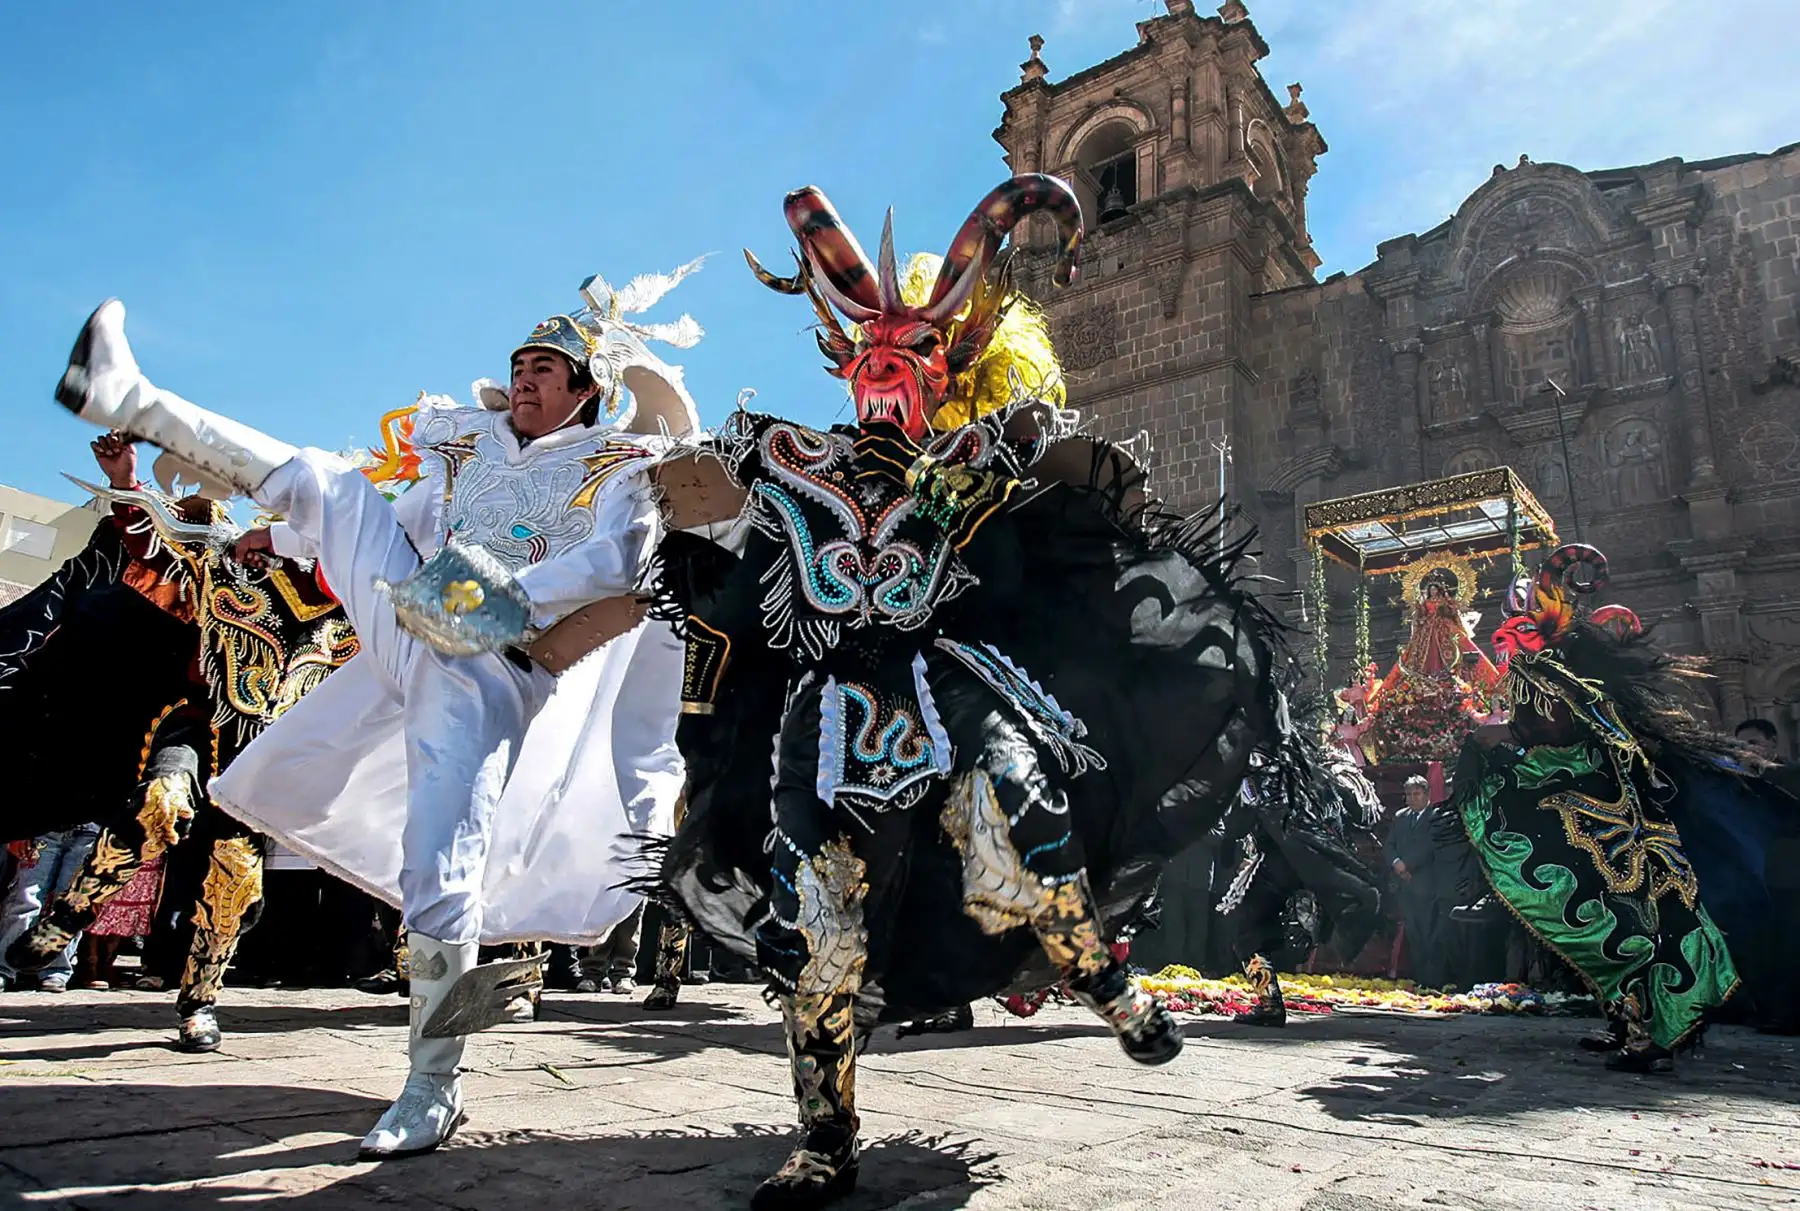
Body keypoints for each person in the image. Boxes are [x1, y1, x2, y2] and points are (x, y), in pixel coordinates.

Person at [645, 175, 1295, 1210]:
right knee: (821, 922)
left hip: (949, 688)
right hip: (825, 715)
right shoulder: (786, 454)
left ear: (948, 368)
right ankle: (824, 1140)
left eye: (910, 360)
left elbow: (1078, 483)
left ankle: (1102, 975)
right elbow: (687, 502)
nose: (885, 378)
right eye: (867, 359)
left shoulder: (979, 456)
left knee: (1022, 826)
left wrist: (1064, 479)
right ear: (844, 365)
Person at [52, 265, 695, 1159]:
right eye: (519, 362)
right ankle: (132, 395)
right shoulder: (464, 444)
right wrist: (275, 532)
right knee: (330, 481)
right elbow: (384, 513)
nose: (525, 376)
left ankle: (433, 1085)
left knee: (442, 862)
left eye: (546, 368)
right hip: (421, 620)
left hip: (498, 665)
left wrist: (492, 598)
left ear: (586, 391)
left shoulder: (618, 466)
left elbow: (618, 566)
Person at [1451, 544, 1790, 1073]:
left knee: (1639, 927)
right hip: (1583, 822)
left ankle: (1657, 1032)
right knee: (1609, 931)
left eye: (1514, 634)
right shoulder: (1537, 681)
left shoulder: (1558, 683)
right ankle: (1628, 1020)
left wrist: (1505, 739)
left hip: (1613, 827)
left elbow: (1583, 743)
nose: (1504, 643)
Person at [1385, 775, 1449, 988]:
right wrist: (1397, 863)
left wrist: (1408, 865)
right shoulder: (1400, 817)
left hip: (1427, 883)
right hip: (1405, 886)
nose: (1412, 798)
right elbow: (1390, 844)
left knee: (1429, 932)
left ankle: (1434, 981)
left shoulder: (1436, 816)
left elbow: (1430, 847)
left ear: (1427, 794)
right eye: (1409, 794)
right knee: (1413, 933)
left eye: (1417, 793)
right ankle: (1419, 978)